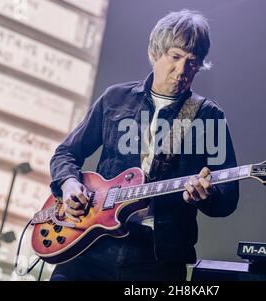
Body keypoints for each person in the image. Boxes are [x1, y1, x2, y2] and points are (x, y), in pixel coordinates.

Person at [49, 9, 239, 281]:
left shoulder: (209, 115)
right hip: (91, 244)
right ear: (154, 54)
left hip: (156, 258)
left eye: (192, 62)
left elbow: (228, 197)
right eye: (175, 57)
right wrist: (68, 183)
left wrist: (205, 195)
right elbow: (66, 152)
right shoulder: (116, 98)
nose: (182, 70)